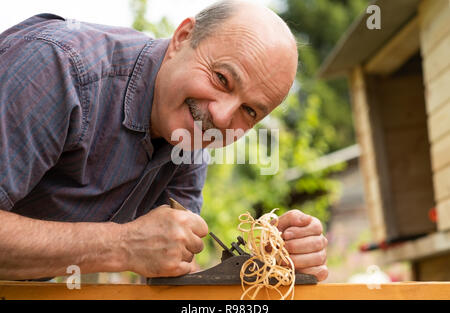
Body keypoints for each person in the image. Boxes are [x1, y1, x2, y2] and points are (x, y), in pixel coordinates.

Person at [0, 0, 328, 282]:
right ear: (182, 38)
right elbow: (133, 246)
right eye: (222, 79)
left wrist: (275, 266)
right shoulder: (57, 67)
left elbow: (171, 264)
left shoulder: (192, 135)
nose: (223, 117)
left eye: (249, 111)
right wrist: (121, 245)